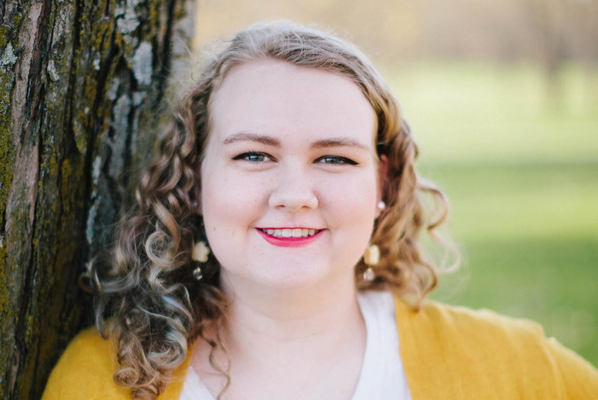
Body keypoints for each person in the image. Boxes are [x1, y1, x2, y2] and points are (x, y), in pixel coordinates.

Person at [42, 21, 598, 400]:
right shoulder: (102, 381)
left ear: (382, 182)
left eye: (334, 158)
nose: (294, 194)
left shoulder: (517, 371)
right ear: (193, 179)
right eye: (253, 154)